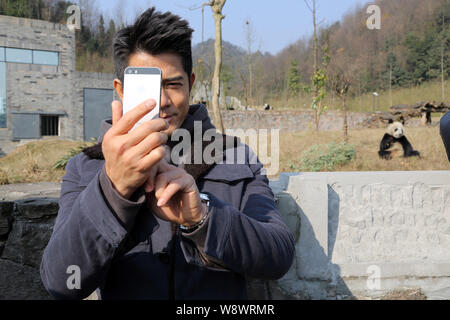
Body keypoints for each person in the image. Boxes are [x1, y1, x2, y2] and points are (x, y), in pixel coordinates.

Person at [40, 7, 295, 300]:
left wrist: (203, 219)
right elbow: (62, 281)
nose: (162, 101)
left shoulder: (235, 155)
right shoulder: (86, 167)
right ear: (120, 91)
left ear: (192, 83)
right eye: (146, 87)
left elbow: (278, 255)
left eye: (173, 84)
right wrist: (114, 189)